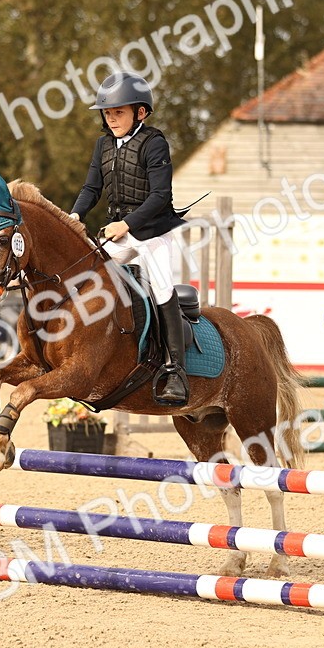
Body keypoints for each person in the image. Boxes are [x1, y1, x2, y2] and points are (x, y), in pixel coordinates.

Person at [69, 71, 189, 406]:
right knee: (86, 278)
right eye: (107, 113)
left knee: (162, 288)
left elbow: (160, 196)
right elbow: (92, 188)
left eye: (117, 112)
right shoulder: (103, 144)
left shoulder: (154, 143)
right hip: (117, 233)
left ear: (141, 112)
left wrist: (127, 225)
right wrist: (75, 215)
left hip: (153, 232)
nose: (111, 118)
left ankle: (174, 369)